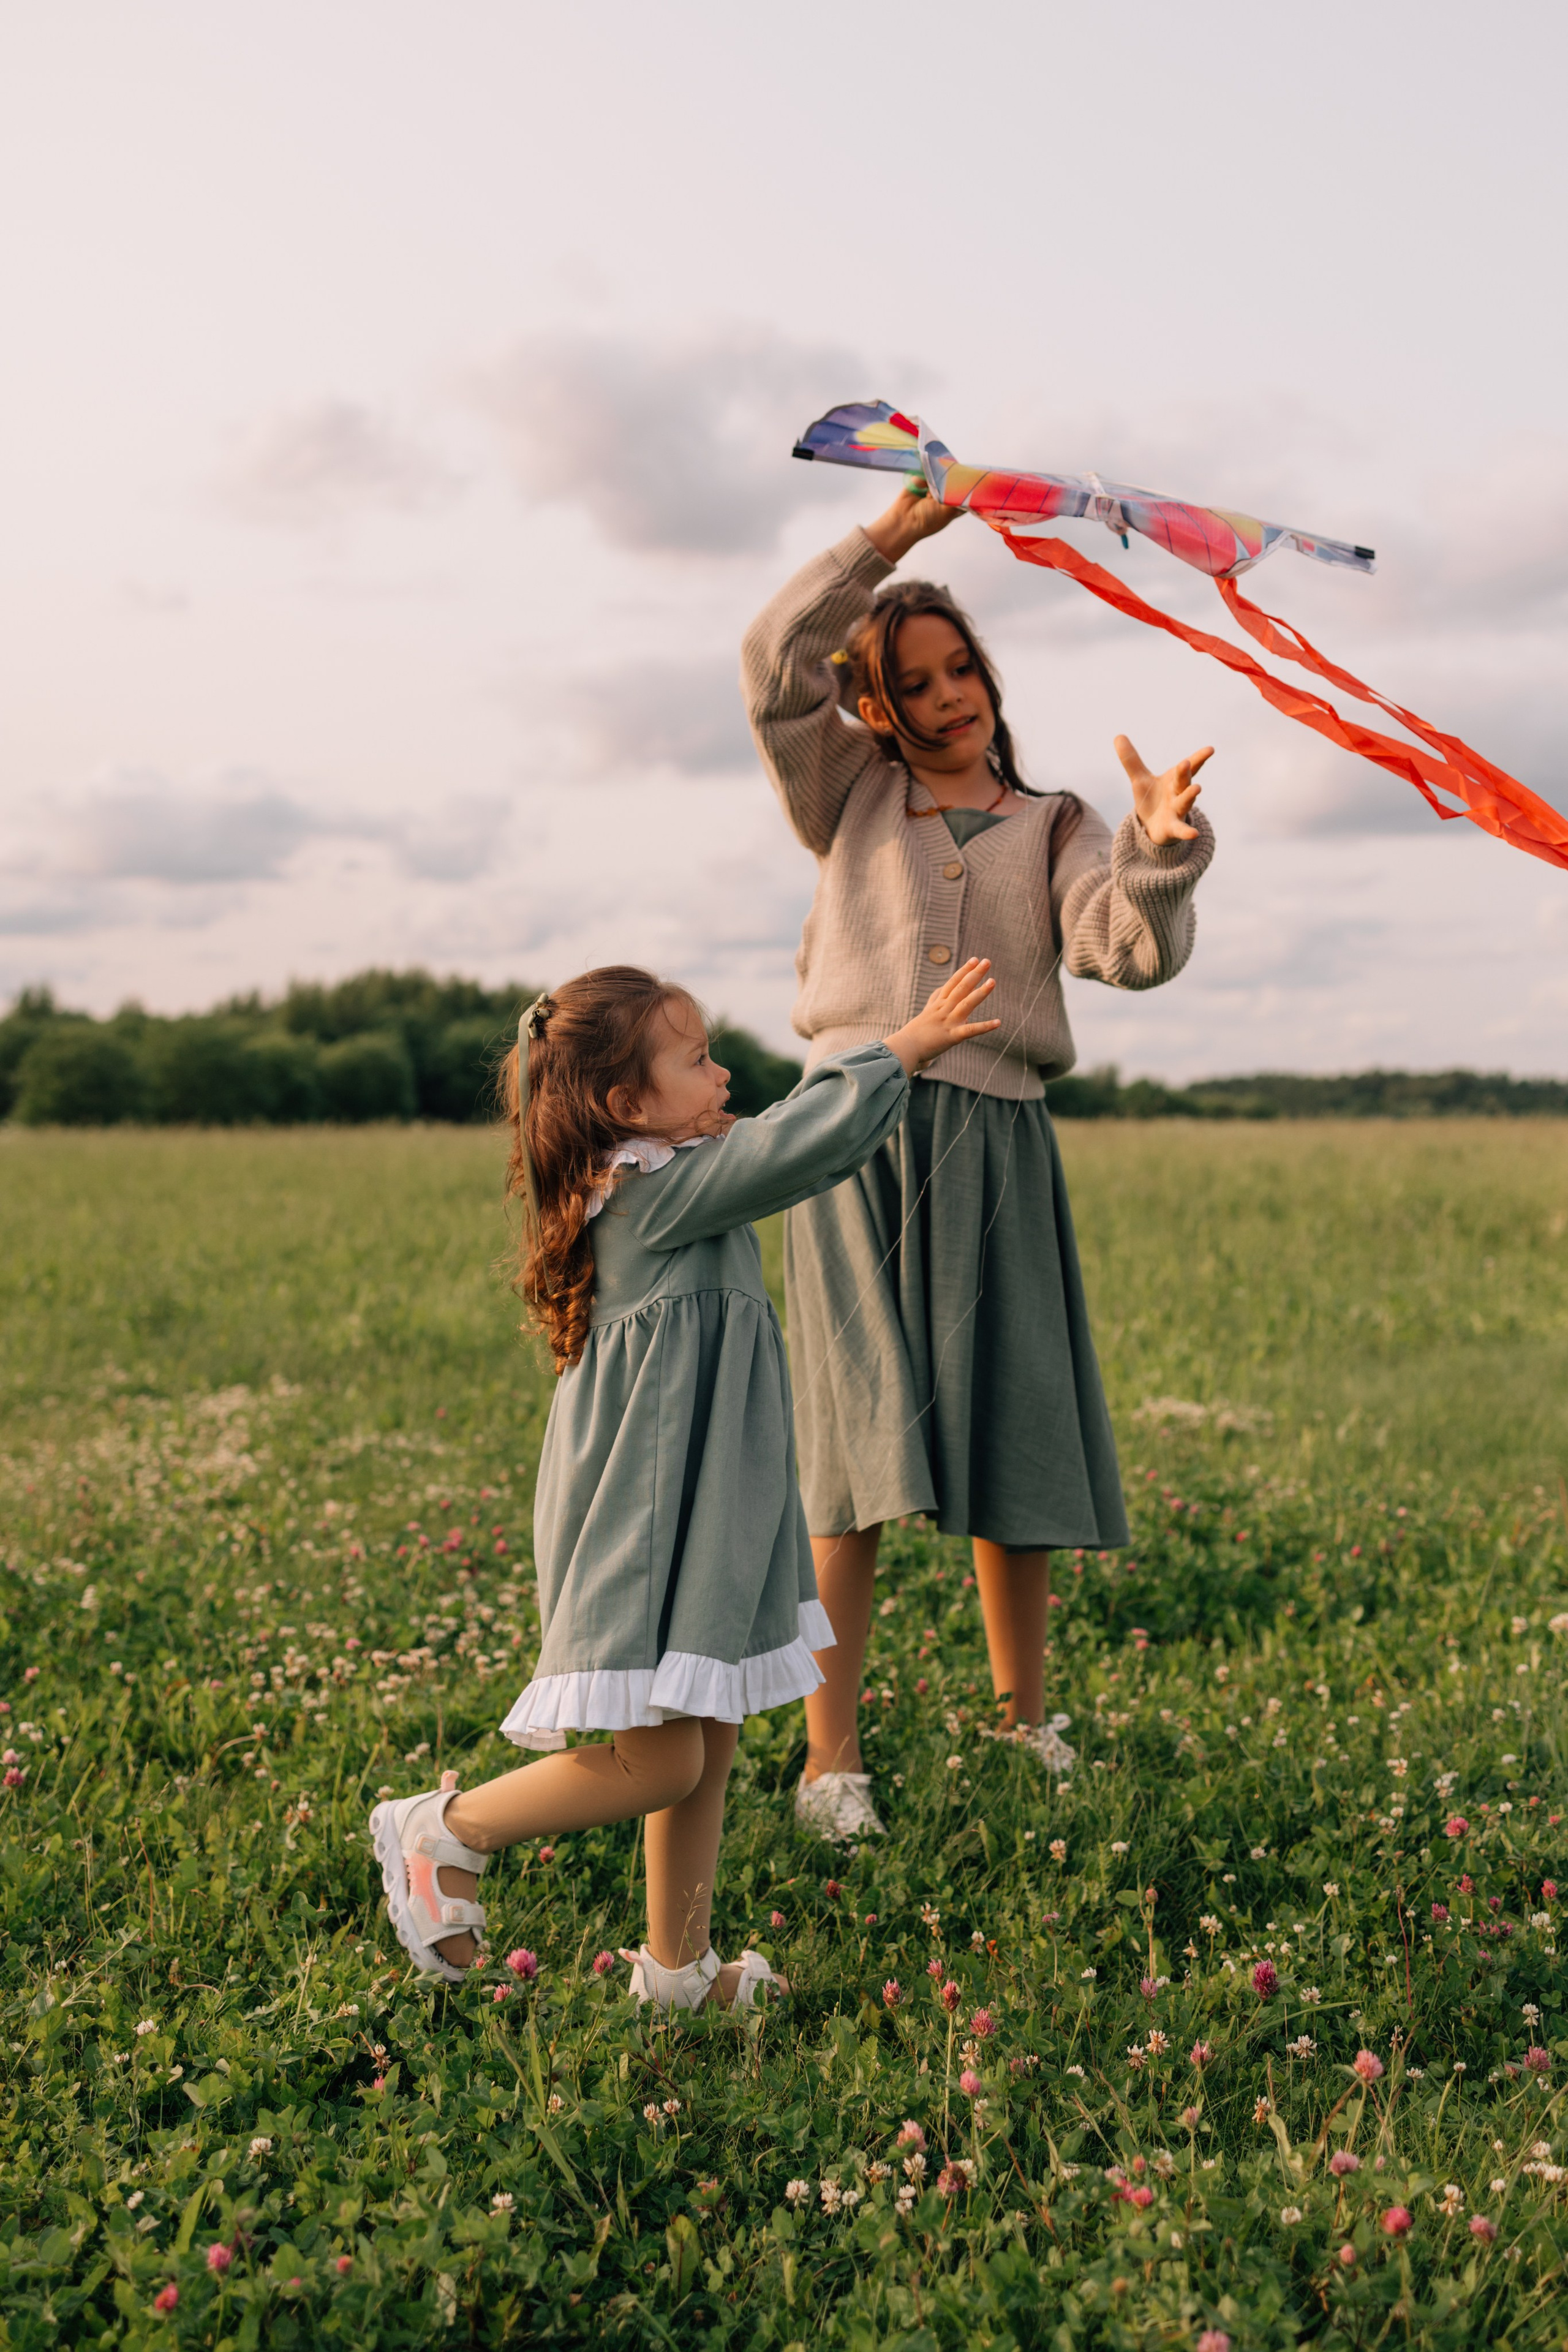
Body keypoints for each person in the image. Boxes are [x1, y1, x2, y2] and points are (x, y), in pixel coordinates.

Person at [370, 955, 998, 2011]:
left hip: (704, 1509)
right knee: (659, 1762)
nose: (722, 1076)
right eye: (698, 1060)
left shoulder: (659, 1182)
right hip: (645, 1519)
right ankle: (445, 1828)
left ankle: (678, 1971)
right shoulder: (650, 1190)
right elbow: (795, 1148)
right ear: (625, 1105)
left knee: (703, 1740)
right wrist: (905, 1049)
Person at [742, 479, 1216, 1842]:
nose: (948, 698)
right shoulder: (844, 795)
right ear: (874, 704)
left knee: (1013, 1428)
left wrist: (1159, 855)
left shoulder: (1059, 823)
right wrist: (886, 543)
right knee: (852, 1446)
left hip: (997, 1138)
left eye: (960, 670)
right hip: (847, 1135)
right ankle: (829, 1761)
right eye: (912, 682)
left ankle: (1023, 1721)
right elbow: (771, 667)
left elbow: (1117, 952)